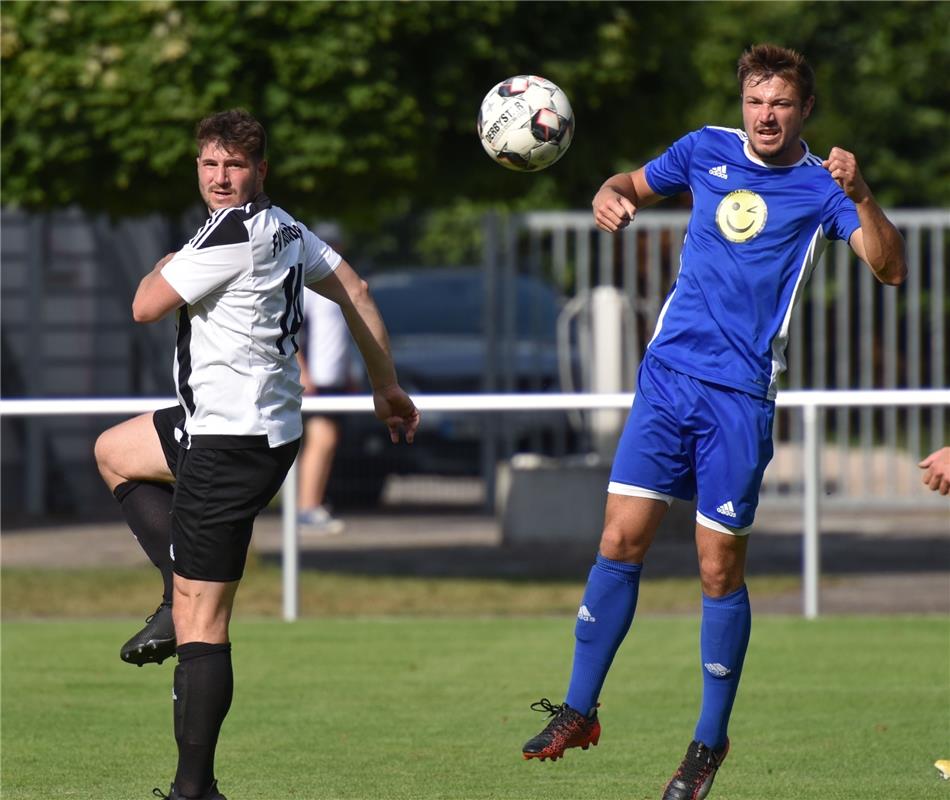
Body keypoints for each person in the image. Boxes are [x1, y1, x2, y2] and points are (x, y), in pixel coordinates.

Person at [521, 44, 906, 800]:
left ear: (805, 111)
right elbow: (626, 183)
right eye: (757, 100)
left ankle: (706, 742)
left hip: (739, 399)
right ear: (744, 103)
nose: (767, 114)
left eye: (783, 103)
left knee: (716, 568)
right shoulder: (703, 150)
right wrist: (609, 194)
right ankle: (579, 706)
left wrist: (861, 193)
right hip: (666, 381)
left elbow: (890, 268)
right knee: (618, 539)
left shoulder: (820, 189)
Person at [94, 109, 419, 800]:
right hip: (244, 426)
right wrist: (385, 384)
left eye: (233, 165)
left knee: (203, 622)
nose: (219, 177)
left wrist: (165, 263)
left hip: (229, 442)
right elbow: (355, 288)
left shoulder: (231, 234)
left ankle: (194, 789)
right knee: (115, 452)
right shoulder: (286, 227)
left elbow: (145, 305)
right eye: (209, 164)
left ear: (259, 170)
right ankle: (171, 591)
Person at [296, 287, 351, 534]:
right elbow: (290, 327)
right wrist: (301, 371)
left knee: (329, 439)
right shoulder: (306, 285)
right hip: (314, 379)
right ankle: (307, 508)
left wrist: (348, 372)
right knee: (323, 439)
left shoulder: (336, 281)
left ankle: (313, 504)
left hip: (333, 379)